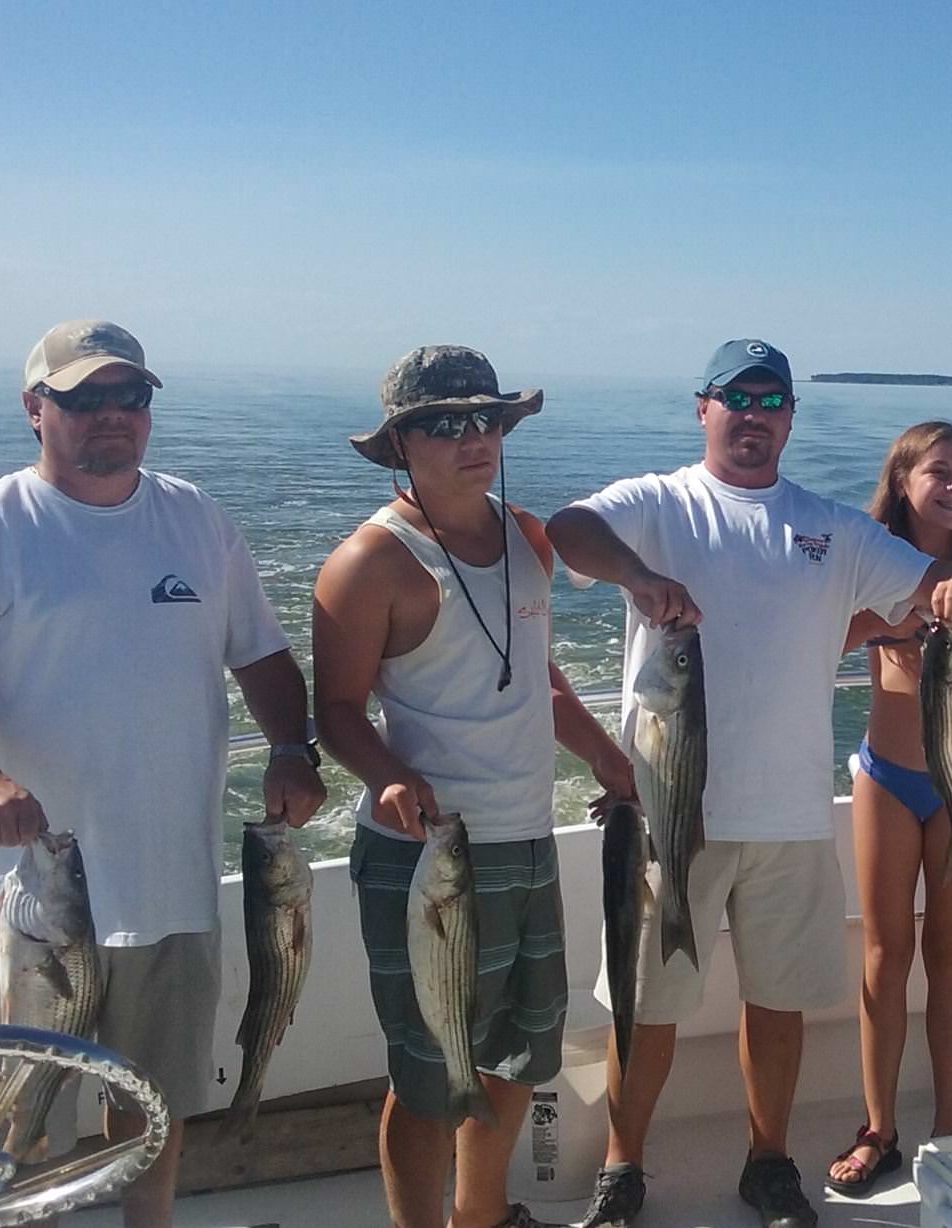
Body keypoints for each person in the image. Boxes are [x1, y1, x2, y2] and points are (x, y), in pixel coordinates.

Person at [544, 340, 952, 1228]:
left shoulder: (832, 525)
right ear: (702, 408)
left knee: (774, 1000)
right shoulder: (658, 504)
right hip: (673, 811)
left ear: (791, 416)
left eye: (771, 399)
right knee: (650, 1005)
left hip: (788, 812)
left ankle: (768, 1160)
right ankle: (624, 1165)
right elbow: (566, 530)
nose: (753, 414)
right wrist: (638, 576)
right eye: (735, 398)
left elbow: (930, 578)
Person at [0, 320, 326, 1228]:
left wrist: (290, 747)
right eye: (83, 398)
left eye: (131, 397)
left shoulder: (197, 521)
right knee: (18, 1124)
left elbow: (265, 660)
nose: (111, 416)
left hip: (171, 888)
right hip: (30, 909)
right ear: (34, 410)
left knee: (152, 1110)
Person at [312, 346, 638, 1228]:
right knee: (426, 1078)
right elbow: (335, 711)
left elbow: (537, 674)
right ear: (400, 446)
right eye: (445, 424)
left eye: (486, 419)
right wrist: (386, 777)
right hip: (430, 861)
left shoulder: (529, 536)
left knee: (508, 1060)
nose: (473, 439)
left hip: (528, 840)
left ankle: (481, 1217)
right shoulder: (369, 564)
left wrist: (606, 757)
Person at [825, 422, 952, 1196]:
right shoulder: (869, 561)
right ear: (901, 480)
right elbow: (826, 638)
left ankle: (951, 1124)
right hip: (886, 781)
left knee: (950, 954)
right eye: (938, 471)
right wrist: (896, 619)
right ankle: (879, 1129)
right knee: (884, 956)